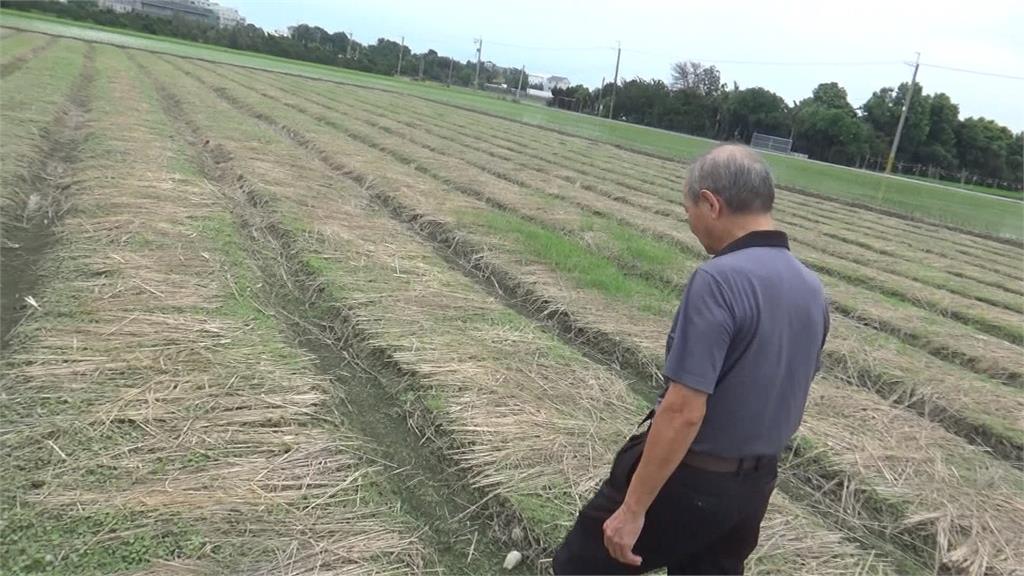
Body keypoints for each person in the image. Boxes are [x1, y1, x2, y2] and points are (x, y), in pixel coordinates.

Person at [552, 144, 830, 575]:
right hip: (754, 491)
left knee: (581, 567)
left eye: (688, 208)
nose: (688, 221)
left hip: (692, 481)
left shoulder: (719, 280)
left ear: (711, 203)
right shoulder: (811, 288)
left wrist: (633, 508)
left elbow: (683, 410)